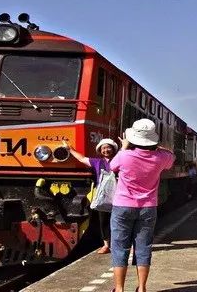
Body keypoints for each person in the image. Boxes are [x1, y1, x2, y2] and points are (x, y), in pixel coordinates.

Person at [109, 119, 175, 292]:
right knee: (143, 247)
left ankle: (119, 288)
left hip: (122, 207)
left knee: (119, 247)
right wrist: (158, 148)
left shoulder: (124, 156)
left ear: (132, 138)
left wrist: (124, 146)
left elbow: (111, 166)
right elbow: (172, 156)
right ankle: (143, 287)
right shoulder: (161, 158)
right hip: (148, 208)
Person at [64, 137, 118, 254]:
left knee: (118, 220)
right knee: (103, 220)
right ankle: (106, 245)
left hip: (118, 195)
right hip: (102, 196)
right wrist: (70, 150)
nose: (106, 150)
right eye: (103, 148)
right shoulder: (97, 162)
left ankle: (119, 244)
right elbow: (82, 158)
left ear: (113, 149)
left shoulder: (119, 160)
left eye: (108, 147)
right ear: (100, 151)